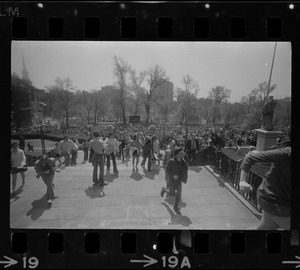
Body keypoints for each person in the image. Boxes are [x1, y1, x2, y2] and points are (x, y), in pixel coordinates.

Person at [239, 130, 291, 230]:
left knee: (264, 228)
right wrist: (242, 181)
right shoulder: (287, 153)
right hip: (274, 200)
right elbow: (250, 157)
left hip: (277, 198)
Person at [160, 147, 188, 215]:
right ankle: (164, 189)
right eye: (180, 153)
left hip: (179, 180)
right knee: (172, 194)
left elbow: (184, 169)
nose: (182, 154)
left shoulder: (183, 160)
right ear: (176, 154)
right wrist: (173, 175)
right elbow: (167, 170)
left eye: (182, 153)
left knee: (179, 194)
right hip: (172, 180)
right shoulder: (172, 161)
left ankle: (175, 207)